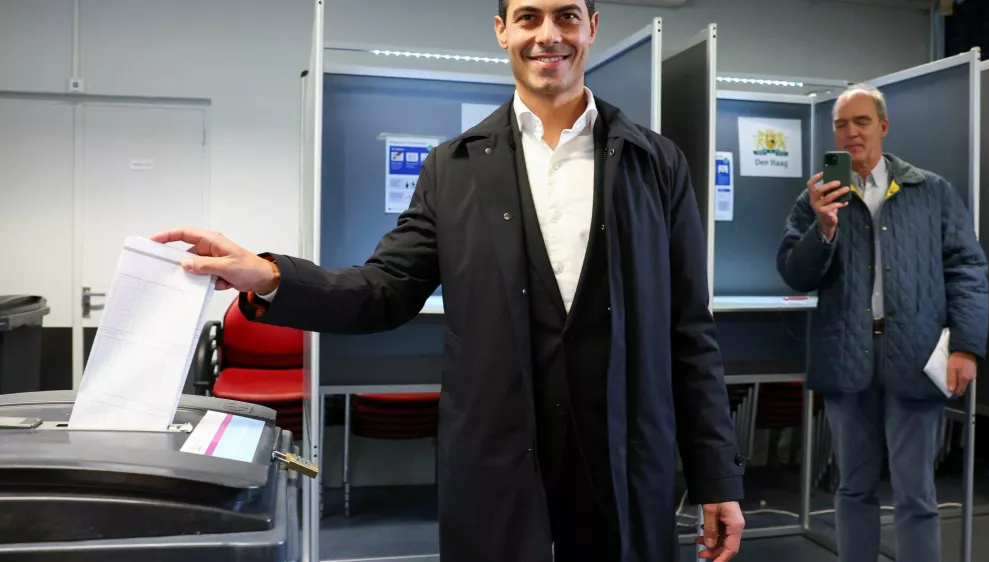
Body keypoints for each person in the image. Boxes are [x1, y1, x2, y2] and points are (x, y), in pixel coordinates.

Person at [154, 1, 746, 560]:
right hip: (499, 454)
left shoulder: (657, 163)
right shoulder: (453, 168)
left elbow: (689, 328)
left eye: (567, 16)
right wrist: (269, 276)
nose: (549, 35)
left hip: (625, 455)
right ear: (501, 30)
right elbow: (386, 289)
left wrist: (716, 475)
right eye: (528, 17)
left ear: (591, 27)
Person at [776, 84, 988, 562]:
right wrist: (823, 227)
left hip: (915, 357)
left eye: (862, 122)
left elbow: (968, 269)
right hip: (847, 361)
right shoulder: (817, 196)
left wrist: (967, 347)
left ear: (883, 127)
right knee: (853, 489)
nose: (851, 133)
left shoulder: (929, 191)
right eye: (842, 124)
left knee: (917, 495)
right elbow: (795, 272)